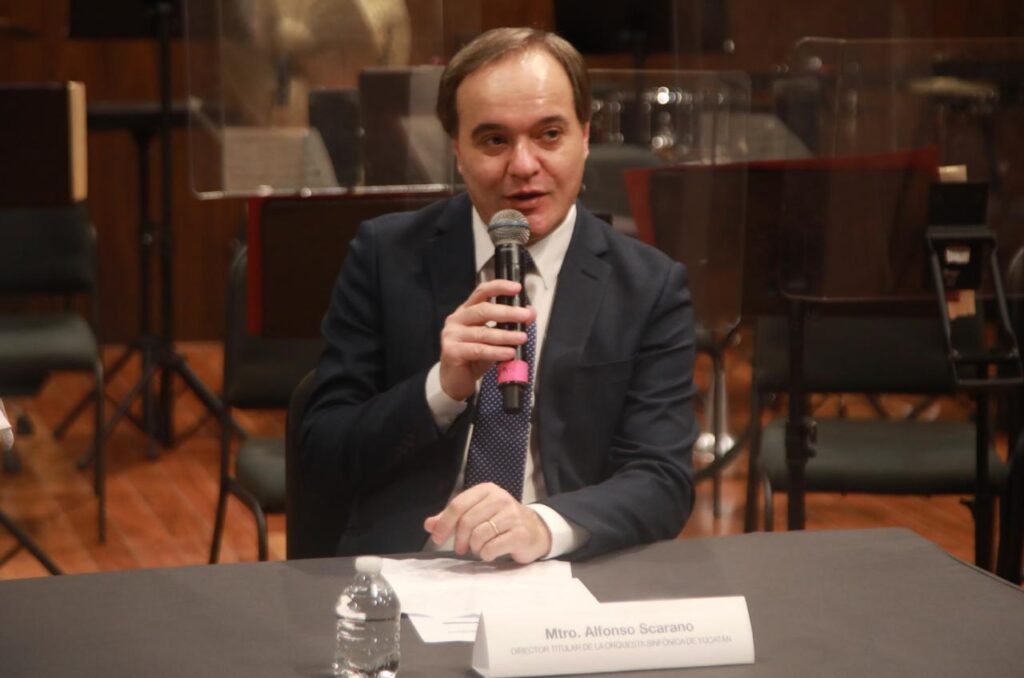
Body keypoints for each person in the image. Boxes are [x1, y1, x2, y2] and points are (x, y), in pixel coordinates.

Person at [301, 27, 697, 563]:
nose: (524, 165)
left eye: (549, 134)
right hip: (413, 563)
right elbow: (322, 450)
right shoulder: (384, 256)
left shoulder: (649, 286)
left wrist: (542, 525)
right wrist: (441, 389)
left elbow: (662, 478)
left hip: (564, 566)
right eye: (494, 141)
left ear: (585, 136)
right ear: (457, 151)